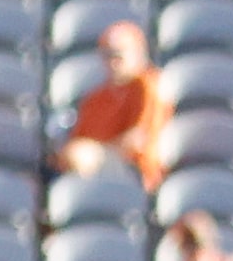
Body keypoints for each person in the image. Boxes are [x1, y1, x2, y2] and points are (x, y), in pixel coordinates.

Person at [61, 21, 163, 184]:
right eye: (106, 55)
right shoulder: (96, 97)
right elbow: (77, 142)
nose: (112, 62)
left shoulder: (148, 86)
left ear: (138, 53)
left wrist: (96, 152)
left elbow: (138, 141)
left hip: (136, 171)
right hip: (96, 171)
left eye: (118, 55)